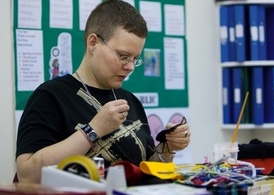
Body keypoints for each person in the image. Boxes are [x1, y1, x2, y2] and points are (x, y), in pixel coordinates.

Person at [15, 0, 191, 184]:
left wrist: (167, 148)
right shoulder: (50, 96)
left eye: (135, 59)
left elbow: (144, 172)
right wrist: (93, 130)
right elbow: (28, 175)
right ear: (93, 43)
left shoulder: (129, 100)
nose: (130, 67)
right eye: (123, 56)